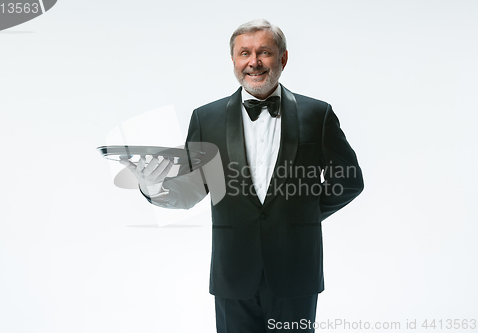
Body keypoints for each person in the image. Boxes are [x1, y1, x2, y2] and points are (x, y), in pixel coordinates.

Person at [121, 19, 364, 333]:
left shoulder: (317, 114)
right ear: (233, 61)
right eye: (244, 53)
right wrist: (154, 186)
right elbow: (195, 189)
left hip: (296, 272)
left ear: (283, 59)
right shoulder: (205, 118)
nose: (254, 62)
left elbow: (349, 181)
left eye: (264, 52)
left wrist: (301, 213)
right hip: (232, 275)